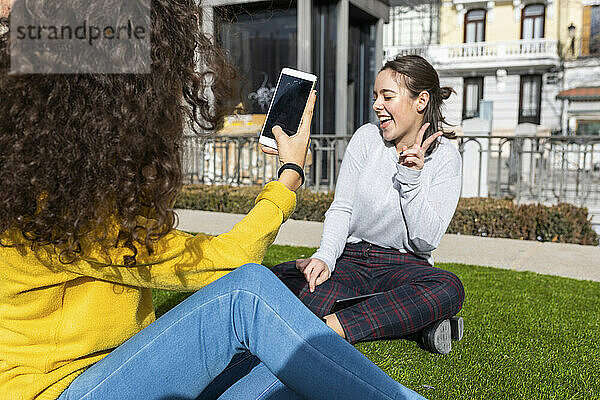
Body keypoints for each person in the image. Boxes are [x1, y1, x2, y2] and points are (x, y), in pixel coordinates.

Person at [0, 2, 427, 400]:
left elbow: (179, 252)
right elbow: (229, 262)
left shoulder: (55, 179)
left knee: (291, 362)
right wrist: (289, 177)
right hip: (64, 391)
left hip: (122, 369)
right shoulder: (51, 212)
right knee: (250, 295)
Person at [272, 55, 466, 354]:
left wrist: (411, 179)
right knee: (298, 285)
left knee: (448, 288)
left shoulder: (446, 159)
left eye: (387, 96)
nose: (377, 105)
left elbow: (426, 241)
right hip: (353, 258)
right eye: (376, 96)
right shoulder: (366, 138)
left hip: (404, 266)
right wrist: (325, 257)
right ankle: (415, 322)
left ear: (421, 101)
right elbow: (342, 208)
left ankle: (334, 328)